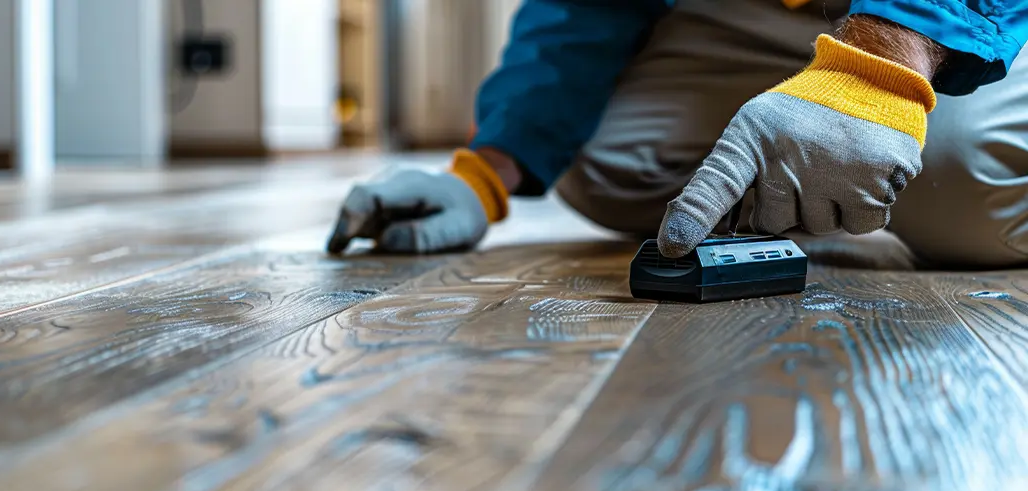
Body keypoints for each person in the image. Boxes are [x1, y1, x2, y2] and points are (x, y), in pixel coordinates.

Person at [326, 0, 1028, 270]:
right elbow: (576, 13)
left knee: (973, 189)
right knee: (608, 167)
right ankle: (820, 178)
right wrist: (483, 174)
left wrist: (876, 75)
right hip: (745, 13)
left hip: (960, 23)